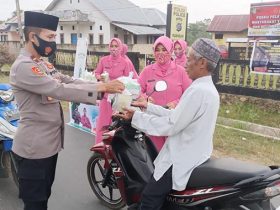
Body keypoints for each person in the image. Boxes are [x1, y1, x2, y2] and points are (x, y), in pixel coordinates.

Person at [9, 11, 125, 210]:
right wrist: (100, 89)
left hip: (48, 147)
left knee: (44, 197)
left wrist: (95, 83)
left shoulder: (41, 62)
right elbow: (59, 90)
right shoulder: (24, 67)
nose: (54, 42)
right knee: (35, 204)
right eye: (50, 37)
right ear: (32, 37)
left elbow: (65, 80)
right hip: (33, 149)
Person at [117, 38, 221, 210]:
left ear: (202, 63)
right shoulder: (208, 89)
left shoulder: (197, 90)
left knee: (149, 198)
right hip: (196, 153)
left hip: (180, 157)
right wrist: (148, 106)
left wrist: (135, 117)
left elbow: (171, 125)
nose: (185, 63)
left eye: (189, 59)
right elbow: (177, 116)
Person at [138, 36, 192, 151]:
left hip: (174, 121)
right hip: (153, 121)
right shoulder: (147, 71)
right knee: (154, 155)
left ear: (170, 50)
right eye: (157, 50)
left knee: (172, 156)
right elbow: (137, 90)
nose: (160, 53)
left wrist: (176, 103)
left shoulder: (181, 71)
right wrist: (145, 98)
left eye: (164, 49)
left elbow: (189, 94)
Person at [94, 38, 138, 144]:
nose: (113, 49)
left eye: (116, 46)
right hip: (105, 97)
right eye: (112, 46)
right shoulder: (103, 60)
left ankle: (114, 149)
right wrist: (101, 77)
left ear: (120, 47)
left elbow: (129, 80)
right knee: (103, 123)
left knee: (116, 124)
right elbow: (96, 73)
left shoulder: (125, 62)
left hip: (118, 99)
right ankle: (100, 146)